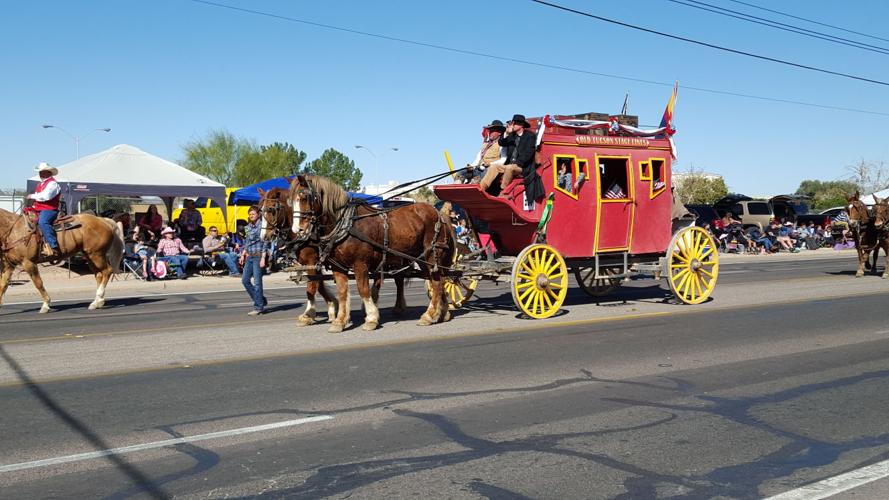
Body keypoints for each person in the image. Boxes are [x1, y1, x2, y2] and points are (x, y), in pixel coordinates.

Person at [479, 114, 544, 203]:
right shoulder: (512, 136)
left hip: (523, 167)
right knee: (494, 166)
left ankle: (504, 192)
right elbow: (501, 143)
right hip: (510, 165)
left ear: (521, 125)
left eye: (514, 123)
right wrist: (507, 133)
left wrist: (517, 163)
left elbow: (529, 154)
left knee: (510, 168)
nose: (512, 125)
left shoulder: (530, 136)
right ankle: (482, 188)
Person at [27, 162, 62, 258]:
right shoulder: (41, 184)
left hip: (50, 209)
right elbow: (39, 199)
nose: (40, 174)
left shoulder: (52, 184)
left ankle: (53, 246)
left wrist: (32, 196)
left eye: (42, 172)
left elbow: (46, 197)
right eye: (40, 172)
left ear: (48, 172)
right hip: (39, 209)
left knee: (43, 222)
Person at [239, 206, 268, 316]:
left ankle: (258, 307)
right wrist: (243, 254)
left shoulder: (262, 226)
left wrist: (263, 258)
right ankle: (260, 299)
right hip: (249, 256)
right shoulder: (247, 227)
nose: (251, 216)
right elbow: (247, 242)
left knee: (257, 283)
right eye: (250, 214)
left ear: (258, 214)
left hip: (258, 256)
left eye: (253, 214)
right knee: (245, 280)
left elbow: (265, 242)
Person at [462, 120, 506, 184]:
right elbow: (477, 159)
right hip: (478, 169)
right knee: (462, 172)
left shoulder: (502, 145)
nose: (490, 132)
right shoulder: (484, 145)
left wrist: (490, 164)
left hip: (490, 170)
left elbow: (503, 159)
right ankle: (457, 186)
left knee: (485, 172)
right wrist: (471, 166)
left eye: (492, 130)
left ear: (499, 132)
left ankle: (474, 185)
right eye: (490, 130)